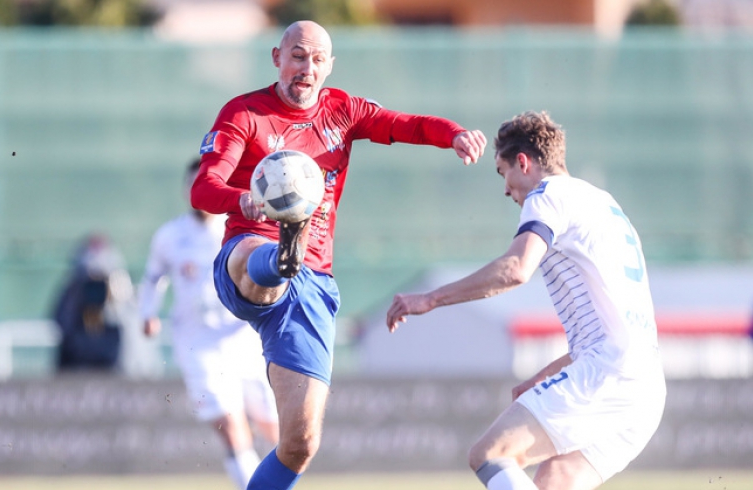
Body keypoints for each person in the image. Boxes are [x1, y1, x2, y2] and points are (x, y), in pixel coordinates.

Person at [190, 20, 488, 489]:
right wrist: (239, 199)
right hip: (247, 251)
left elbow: (402, 124)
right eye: (297, 56)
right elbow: (203, 188)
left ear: (329, 66)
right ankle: (280, 258)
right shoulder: (244, 113)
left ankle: (289, 258)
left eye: (316, 60)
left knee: (299, 445)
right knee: (256, 256)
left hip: (313, 283)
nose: (306, 69)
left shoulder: (342, 110)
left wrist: (453, 133)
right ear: (276, 57)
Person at [385, 111, 666, 490]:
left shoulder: (548, 194)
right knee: (554, 479)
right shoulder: (606, 206)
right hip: (645, 387)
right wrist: (544, 377)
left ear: (524, 162)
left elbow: (517, 267)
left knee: (490, 454)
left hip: (608, 374)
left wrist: (431, 299)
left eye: (503, 173)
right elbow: (610, 328)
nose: (506, 190)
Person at [139, 158, 280, 490]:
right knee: (230, 427)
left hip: (245, 337)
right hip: (198, 342)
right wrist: (148, 313)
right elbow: (153, 278)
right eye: (192, 184)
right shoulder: (171, 236)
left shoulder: (239, 229)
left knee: (273, 426)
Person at [52, 233, 128, 372]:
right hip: (76, 361)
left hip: (108, 362)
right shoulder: (75, 289)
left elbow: (126, 323)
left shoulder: (119, 288)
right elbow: (62, 321)